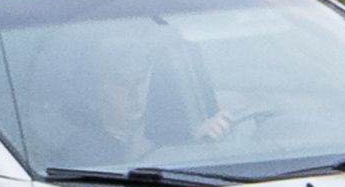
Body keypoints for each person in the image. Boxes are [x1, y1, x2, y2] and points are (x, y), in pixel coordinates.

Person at [30, 33, 234, 169]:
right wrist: (182, 149)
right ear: (94, 94)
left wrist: (200, 137)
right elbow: (127, 180)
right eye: (122, 83)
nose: (135, 92)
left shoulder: (171, 129)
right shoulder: (82, 150)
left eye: (140, 80)